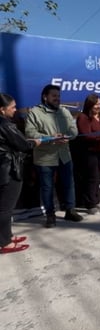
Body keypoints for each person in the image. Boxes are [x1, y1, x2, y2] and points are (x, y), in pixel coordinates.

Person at [25, 84, 83, 228]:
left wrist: (68, 136)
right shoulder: (35, 112)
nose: (57, 99)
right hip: (45, 157)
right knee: (47, 187)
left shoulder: (65, 111)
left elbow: (74, 130)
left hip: (64, 155)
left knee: (69, 184)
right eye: (54, 96)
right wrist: (51, 137)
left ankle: (70, 210)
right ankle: (50, 215)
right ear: (45, 97)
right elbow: (30, 133)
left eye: (58, 96)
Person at [0, 93, 41, 254]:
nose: (15, 110)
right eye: (13, 107)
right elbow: (23, 144)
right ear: (2, 110)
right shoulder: (6, 125)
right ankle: (4, 243)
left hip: (4, 167)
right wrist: (35, 142)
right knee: (5, 208)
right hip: (8, 169)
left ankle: (6, 236)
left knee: (4, 206)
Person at [76, 94, 100, 213]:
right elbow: (86, 135)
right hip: (89, 152)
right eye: (96, 104)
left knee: (98, 176)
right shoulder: (83, 117)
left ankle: (96, 200)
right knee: (91, 177)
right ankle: (90, 203)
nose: (98, 106)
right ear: (89, 104)